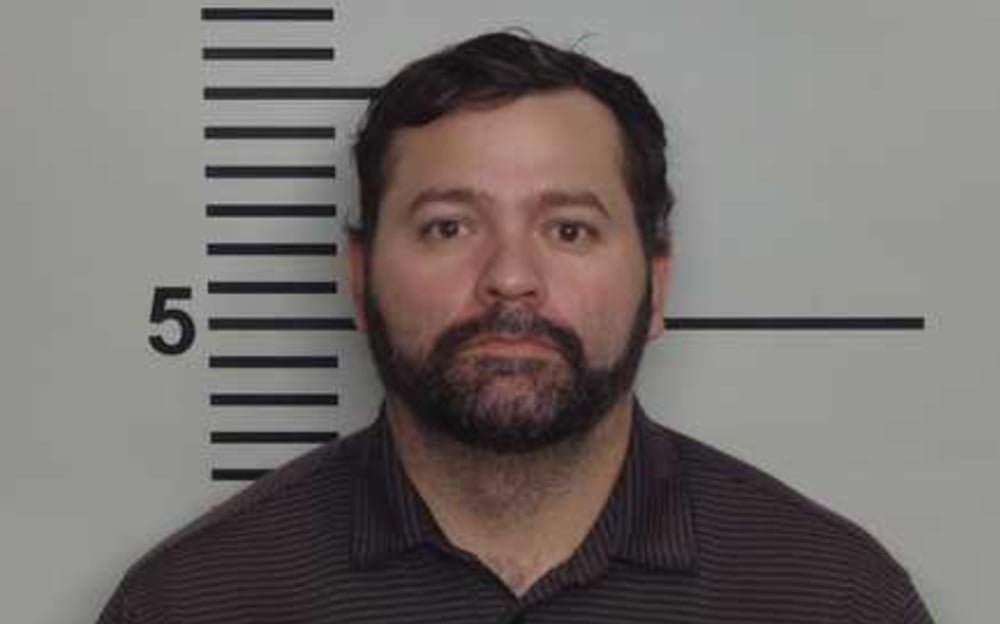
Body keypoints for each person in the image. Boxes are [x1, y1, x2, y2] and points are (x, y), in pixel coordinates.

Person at [97, 31, 934, 623]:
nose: (509, 277)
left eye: (569, 229)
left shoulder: (838, 601)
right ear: (358, 278)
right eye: (448, 226)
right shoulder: (190, 604)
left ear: (657, 282)